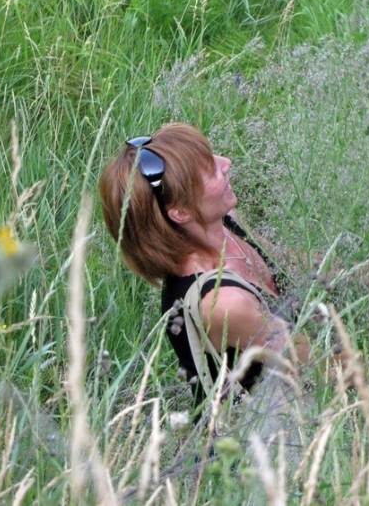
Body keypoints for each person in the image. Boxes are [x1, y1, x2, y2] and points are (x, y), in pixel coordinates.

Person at [98, 123, 311, 416]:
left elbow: (290, 262)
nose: (227, 164)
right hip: (261, 449)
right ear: (181, 212)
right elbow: (322, 367)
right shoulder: (222, 302)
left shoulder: (223, 224)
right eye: (211, 170)